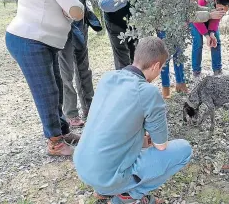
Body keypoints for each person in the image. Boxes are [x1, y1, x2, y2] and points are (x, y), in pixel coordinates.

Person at [74, 37, 192, 203]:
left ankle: (103, 189)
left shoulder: (108, 78)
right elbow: (161, 145)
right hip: (109, 175)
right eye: (162, 68)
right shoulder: (148, 92)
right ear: (156, 66)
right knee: (184, 150)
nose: (159, 72)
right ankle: (128, 196)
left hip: (83, 165)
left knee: (141, 146)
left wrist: (141, 139)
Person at [5, 0, 86, 156]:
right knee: (46, 92)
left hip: (40, 41)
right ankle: (55, 144)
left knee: (55, 87)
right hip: (30, 41)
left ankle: (62, 131)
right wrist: (75, 10)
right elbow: (76, 9)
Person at [58, 0, 100, 128]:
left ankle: (90, 107)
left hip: (80, 24)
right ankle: (71, 113)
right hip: (65, 27)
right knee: (66, 73)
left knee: (84, 69)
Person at [157, 31, 188, 99]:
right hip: (162, 24)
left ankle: (181, 82)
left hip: (178, 25)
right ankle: (165, 87)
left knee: (179, 53)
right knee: (165, 55)